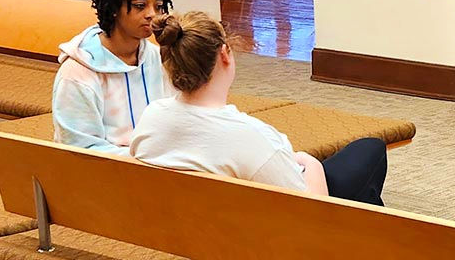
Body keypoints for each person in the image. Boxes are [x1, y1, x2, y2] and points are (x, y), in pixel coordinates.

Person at [131, 11, 387, 207]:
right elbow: (315, 213)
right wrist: (311, 163)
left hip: (197, 251)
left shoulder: (152, 117)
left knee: (361, 175)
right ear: (224, 54)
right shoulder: (250, 135)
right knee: (370, 150)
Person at [52, 0, 172, 153]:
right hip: (103, 174)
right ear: (114, 7)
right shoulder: (77, 72)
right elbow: (81, 148)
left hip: (158, 168)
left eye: (159, 6)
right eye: (140, 6)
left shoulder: (157, 58)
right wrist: (148, 159)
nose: (152, 15)